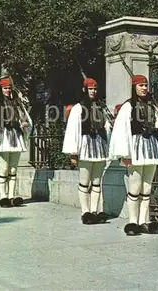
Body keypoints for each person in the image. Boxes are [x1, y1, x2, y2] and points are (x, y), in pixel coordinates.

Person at [109, 74, 158, 236]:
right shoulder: (128, 106)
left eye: (145, 85)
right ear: (134, 87)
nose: (144, 88)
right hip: (136, 147)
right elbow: (121, 130)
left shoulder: (152, 105)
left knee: (147, 187)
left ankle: (144, 220)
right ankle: (132, 221)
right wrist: (125, 153)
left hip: (151, 147)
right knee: (135, 186)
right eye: (141, 85)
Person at [63, 78, 112, 225]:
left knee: (97, 181)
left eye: (95, 89)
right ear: (85, 90)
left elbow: (107, 127)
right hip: (84, 146)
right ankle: (85, 212)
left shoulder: (102, 107)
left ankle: (94, 211)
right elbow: (73, 130)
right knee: (84, 182)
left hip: (99, 146)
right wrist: (73, 152)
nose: (93, 91)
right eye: (90, 89)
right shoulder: (78, 108)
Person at [0, 77, 33, 208]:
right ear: (1, 89)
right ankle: (3, 196)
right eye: (5, 88)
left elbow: (26, 118)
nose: (7, 90)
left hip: (16, 136)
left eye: (9, 88)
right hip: (4, 136)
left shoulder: (18, 103)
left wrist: (25, 124)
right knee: (4, 167)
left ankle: (11, 196)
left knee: (13, 168)